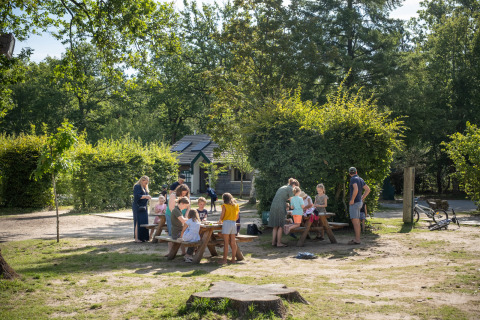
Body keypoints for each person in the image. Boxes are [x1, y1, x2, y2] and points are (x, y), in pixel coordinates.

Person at [268, 178, 299, 247]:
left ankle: (273, 242)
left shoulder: (283, 187)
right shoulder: (290, 188)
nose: (295, 189)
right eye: (296, 187)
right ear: (294, 185)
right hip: (280, 206)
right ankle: (279, 243)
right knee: (281, 226)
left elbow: (283, 197)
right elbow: (291, 201)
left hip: (273, 206)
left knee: (275, 225)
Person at [166, 184, 190, 255]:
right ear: (179, 191)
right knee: (171, 233)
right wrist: (179, 217)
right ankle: (171, 252)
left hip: (181, 216)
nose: (184, 194)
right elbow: (171, 208)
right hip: (171, 215)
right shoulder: (173, 195)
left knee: (182, 232)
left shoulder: (186, 196)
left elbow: (188, 207)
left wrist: (185, 217)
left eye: (185, 193)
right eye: (183, 193)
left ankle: (183, 252)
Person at [348, 167, 370, 245]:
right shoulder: (360, 179)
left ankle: (357, 240)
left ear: (349, 173)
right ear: (356, 172)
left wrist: (352, 199)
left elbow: (356, 189)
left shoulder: (353, 179)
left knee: (355, 222)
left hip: (355, 203)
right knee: (357, 222)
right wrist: (361, 198)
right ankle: (357, 239)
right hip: (359, 202)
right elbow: (368, 189)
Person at [218, 193, 240, 264]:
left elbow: (222, 215)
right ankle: (233, 259)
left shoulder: (224, 206)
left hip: (226, 223)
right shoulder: (236, 205)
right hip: (233, 223)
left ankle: (224, 260)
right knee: (233, 242)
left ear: (224, 199)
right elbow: (237, 217)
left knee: (226, 242)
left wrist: (220, 221)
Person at [132, 176, 152, 243]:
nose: (146, 183)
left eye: (147, 182)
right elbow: (137, 196)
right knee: (138, 221)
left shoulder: (145, 187)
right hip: (137, 206)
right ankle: (137, 238)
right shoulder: (137, 186)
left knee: (144, 221)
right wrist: (146, 196)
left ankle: (144, 237)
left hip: (144, 206)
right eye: (145, 182)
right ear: (141, 180)